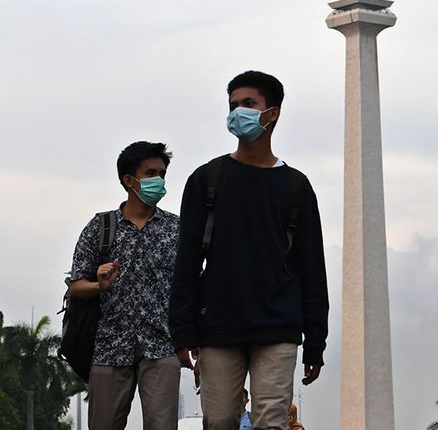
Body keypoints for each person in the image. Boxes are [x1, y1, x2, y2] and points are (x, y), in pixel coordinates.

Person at [169, 70, 329, 430]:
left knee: (271, 422)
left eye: (248, 104)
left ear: (272, 113)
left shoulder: (296, 186)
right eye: (232, 105)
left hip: (278, 327)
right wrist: (183, 329)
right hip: (218, 326)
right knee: (221, 419)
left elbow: (312, 269)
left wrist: (315, 342)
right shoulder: (206, 180)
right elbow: (188, 261)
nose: (237, 113)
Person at [68, 141, 180, 430]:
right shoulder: (101, 227)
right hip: (109, 347)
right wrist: (98, 285)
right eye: (151, 173)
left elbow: (189, 287)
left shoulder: (176, 229)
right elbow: (75, 286)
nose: (159, 180)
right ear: (128, 181)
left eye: (163, 173)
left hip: (162, 346)